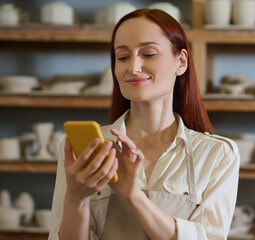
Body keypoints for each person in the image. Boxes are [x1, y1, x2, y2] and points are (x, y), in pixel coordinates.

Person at [49, 9, 240, 240]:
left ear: (181, 62)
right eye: (122, 57)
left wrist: (134, 196)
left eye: (148, 54)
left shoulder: (218, 154)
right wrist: (75, 198)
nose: (133, 67)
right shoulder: (87, 147)